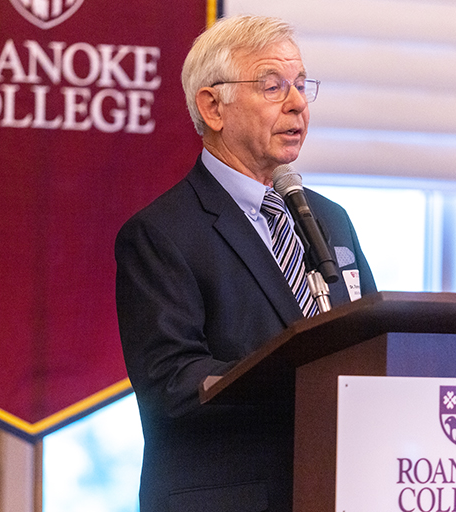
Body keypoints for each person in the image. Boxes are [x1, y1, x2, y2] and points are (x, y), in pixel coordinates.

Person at [115, 15, 377, 512]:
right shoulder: (160, 234)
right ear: (213, 107)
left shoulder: (330, 219)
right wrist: (308, 378)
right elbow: (174, 385)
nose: (297, 102)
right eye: (272, 85)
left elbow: (370, 345)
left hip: (336, 490)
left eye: (301, 85)